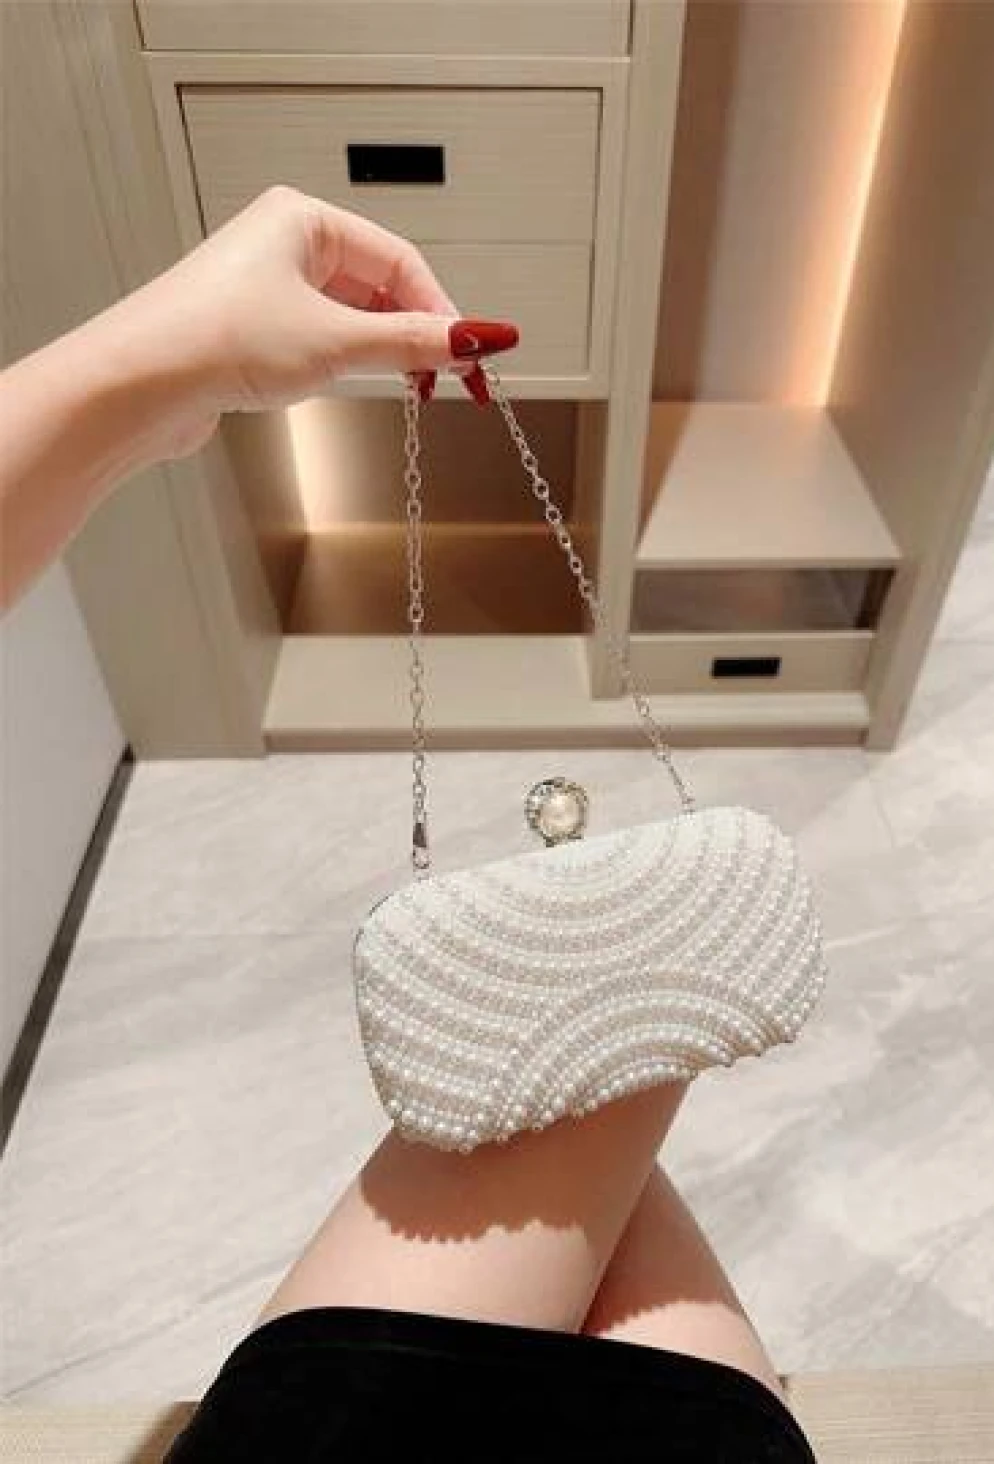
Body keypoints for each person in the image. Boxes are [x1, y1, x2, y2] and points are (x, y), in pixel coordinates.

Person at [0, 187, 817, 1462]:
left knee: (561, 1061)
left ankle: (557, 984)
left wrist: (139, 388)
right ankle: (575, 975)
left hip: (351, 1430)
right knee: (599, 1038)